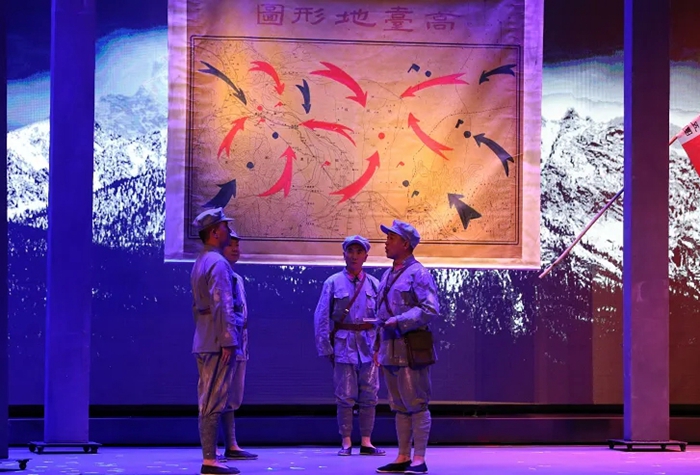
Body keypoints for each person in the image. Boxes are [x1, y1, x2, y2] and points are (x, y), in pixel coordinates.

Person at [374, 220, 440, 475]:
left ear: (405, 244)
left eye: (391, 238)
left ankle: (419, 459)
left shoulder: (419, 273)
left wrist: (400, 320)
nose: (386, 243)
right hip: (389, 347)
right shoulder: (387, 274)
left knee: (417, 403)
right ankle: (402, 456)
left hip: (411, 347)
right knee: (398, 405)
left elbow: (430, 309)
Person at [314, 235, 386, 457]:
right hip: (344, 344)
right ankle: (346, 441)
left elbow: (382, 318)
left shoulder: (374, 284)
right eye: (350, 251)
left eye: (359, 252)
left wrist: (381, 347)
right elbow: (321, 316)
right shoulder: (333, 282)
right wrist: (326, 347)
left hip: (368, 345)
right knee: (344, 395)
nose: (354, 256)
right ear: (344, 254)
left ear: (366, 256)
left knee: (370, 395)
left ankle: (366, 441)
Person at [190, 207, 241, 475]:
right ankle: (209, 460)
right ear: (214, 232)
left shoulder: (201, 260)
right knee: (214, 397)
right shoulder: (218, 263)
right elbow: (222, 303)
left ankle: (210, 456)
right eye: (224, 227)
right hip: (216, 339)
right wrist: (228, 339)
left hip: (204, 336)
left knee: (207, 396)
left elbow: (196, 307)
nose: (228, 231)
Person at [217, 230, 258, 461]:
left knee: (233, 396)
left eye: (237, 245)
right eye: (230, 244)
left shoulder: (237, 278)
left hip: (239, 345)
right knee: (217, 395)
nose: (235, 249)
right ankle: (212, 447)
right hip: (225, 345)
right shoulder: (217, 275)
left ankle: (231, 444)